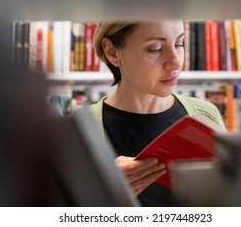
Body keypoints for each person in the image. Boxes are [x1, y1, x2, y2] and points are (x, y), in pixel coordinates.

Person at [89, 20, 226, 206]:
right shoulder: (83, 131)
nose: (176, 62)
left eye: (179, 44)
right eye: (155, 49)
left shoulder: (206, 115)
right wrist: (96, 196)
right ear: (113, 52)